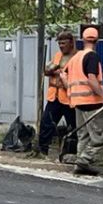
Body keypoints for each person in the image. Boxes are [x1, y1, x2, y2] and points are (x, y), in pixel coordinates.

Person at [65, 26, 103, 175]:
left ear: (83, 39)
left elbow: (63, 75)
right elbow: (92, 79)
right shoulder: (92, 56)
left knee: (83, 135)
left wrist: (72, 93)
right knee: (100, 135)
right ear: (97, 40)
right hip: (92, 102)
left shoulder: (75, 58)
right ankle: (84, 160)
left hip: (78, 102)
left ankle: (80, 163)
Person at [37, 30, 78, 159]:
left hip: (69, 98)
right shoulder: (57, 56)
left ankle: (72, 152)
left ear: (71, 43)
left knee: (73, 126)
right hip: (54, 97)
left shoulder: (76, 57)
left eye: (63, 43)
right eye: (59, 43)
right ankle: (42, 150)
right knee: (46, 123)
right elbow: (47, 70)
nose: (61, 46)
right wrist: (54, 69)